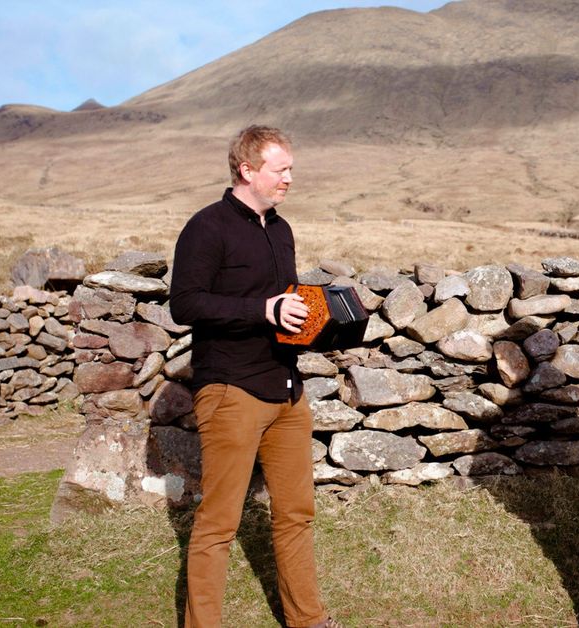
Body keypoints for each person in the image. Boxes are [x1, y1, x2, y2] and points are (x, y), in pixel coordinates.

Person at [170, 125, 338, 628]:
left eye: (290, 168)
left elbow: (283, 303)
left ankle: (307, 621)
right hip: (231, 391)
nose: (290, 177)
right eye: (280, 169)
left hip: (287, 391)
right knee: (219, 523)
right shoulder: (208, 226)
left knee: (296, 514)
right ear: (248, 170)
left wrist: (320, 322)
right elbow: (185, 303)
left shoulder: (281, 229)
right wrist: (260, 310)